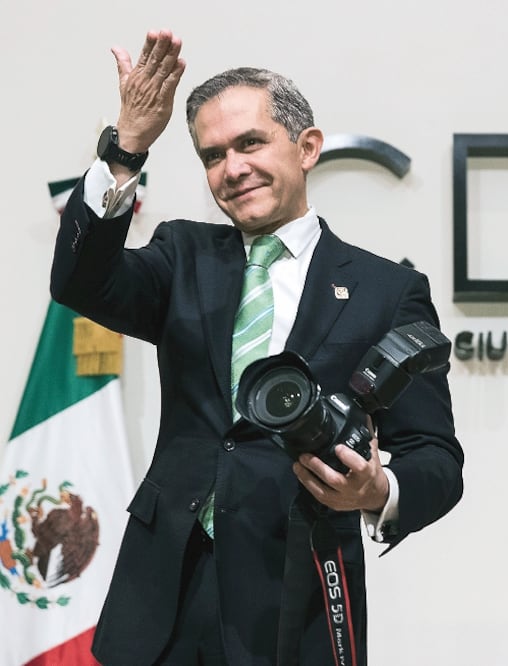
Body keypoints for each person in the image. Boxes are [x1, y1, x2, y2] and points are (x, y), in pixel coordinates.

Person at [50, 29, 463, 665]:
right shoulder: (182, 253)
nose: (233, 168)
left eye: (250, 143)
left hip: (295, 590)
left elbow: (435, 457)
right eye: (213, 155)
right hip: (166, 589)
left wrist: (378, 492)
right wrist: (127, 145)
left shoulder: (388, 289)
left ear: (307, 148)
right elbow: (80, 280)